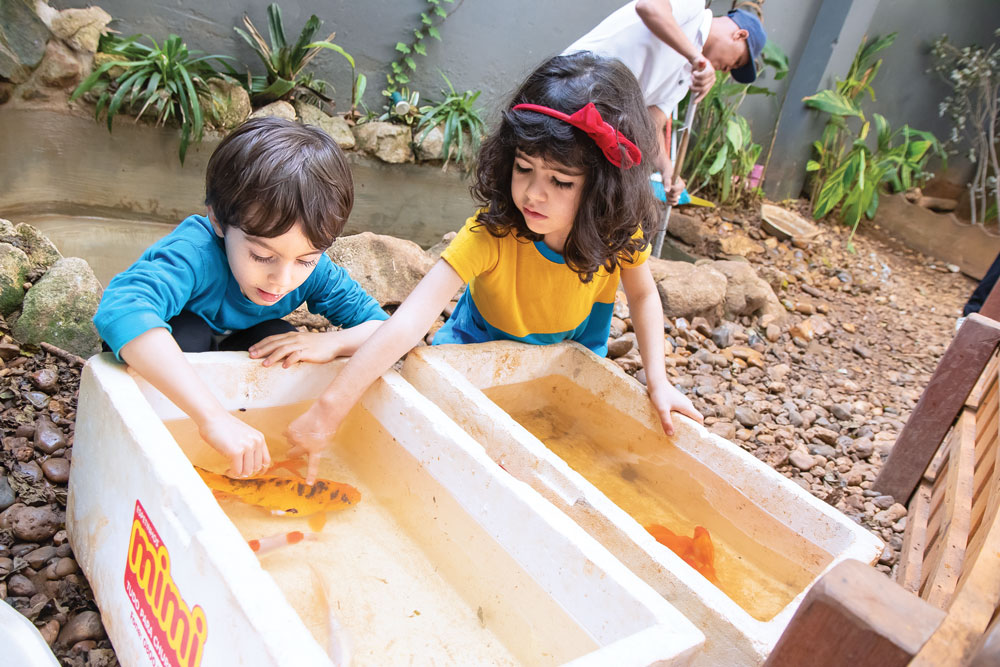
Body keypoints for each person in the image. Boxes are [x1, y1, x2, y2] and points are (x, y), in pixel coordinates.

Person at [255, 52, 704, 484]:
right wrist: (329, 408)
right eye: (524, 167)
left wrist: (658, 381)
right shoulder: (492, 233)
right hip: (475, 346)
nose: (532, 194)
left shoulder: (617, 235)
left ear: (604, 186)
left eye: (560, 181)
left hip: (570, 354)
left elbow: (644, 296)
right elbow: (410, 322)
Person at [93, 117, 388, 479]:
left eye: (305, 260)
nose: (282, 279)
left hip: (241, 343)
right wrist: (213, 418)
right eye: (262, 256)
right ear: (218, 221)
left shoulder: (315, 272)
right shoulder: (194, 252)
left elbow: (386, 330)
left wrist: (334, 343)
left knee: (284, 343)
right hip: (176, 347)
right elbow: (121, 309)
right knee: (188, 335)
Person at [564, 1, 767, 202]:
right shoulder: (694, 8)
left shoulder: (688, 76)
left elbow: (651, 123)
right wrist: (696, 57)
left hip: (588, 122)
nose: (728, 69)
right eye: (737, 61)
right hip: (566, 86)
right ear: (739, 35)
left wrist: (668, 171)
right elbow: (649, 7)